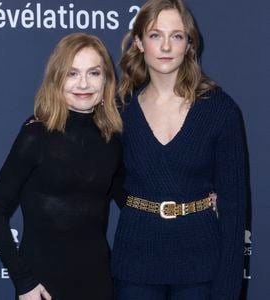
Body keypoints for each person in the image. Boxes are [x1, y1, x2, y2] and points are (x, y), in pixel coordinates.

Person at [112, 0, 248, 299]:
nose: (165, 46)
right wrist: (144, 206)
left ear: (189, 44)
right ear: (138, 42)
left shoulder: (220, 110)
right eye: (155, 35)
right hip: (135, 261)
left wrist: (228, 289)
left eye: (176, 36)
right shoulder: (120, 110)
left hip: (201, 264)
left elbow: (235, 209)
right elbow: (104, 176)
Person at [0, 33, 125, 300]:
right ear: (57, 79)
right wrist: (24, 282)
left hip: (99, 284)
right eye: (72, 73)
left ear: (106, 79)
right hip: (42, 289)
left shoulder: (112, 141)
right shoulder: (35, 136)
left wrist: (195, 201)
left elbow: (132, 203)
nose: (83, 83)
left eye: (93, 73)